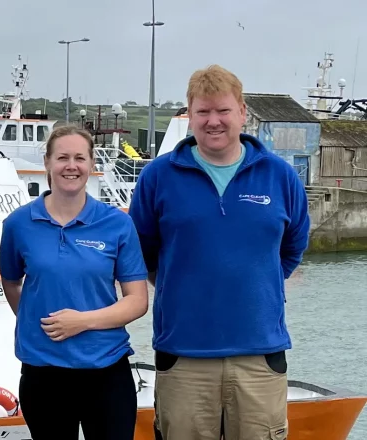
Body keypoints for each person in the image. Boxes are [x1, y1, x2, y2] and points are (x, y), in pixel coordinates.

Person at [129, 65, 310, 440]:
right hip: (183, 358)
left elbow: (292, 248)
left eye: (223, 111)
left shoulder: (280, 176)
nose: (214, 121)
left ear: (242, 112)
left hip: (259, 357)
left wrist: (258, 283)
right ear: (190, 115)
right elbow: (141, 252)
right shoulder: (157, 177)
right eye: (203, 112)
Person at [0, 124, 150, 440]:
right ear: (47, 163)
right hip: (43, 372)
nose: (71, 166)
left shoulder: (117, 224)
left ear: (92, 164)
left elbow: (137, 300)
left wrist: (81, 322)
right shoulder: (18, 224)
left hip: (106, 370)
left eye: (80, 158)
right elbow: (11, 282)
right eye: (62, 157)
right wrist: (35, 321)